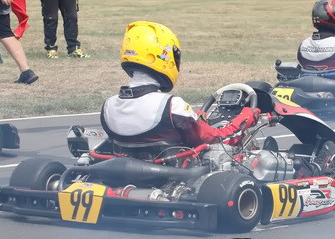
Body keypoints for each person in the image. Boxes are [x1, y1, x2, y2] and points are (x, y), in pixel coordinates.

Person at [100, 20, 260, 154]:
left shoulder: (108, 106)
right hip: (175, 175)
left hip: (125, 175)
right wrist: (244, 119)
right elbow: (214, 139)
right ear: (163, 56)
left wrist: (195, 118)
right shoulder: (171, 106)